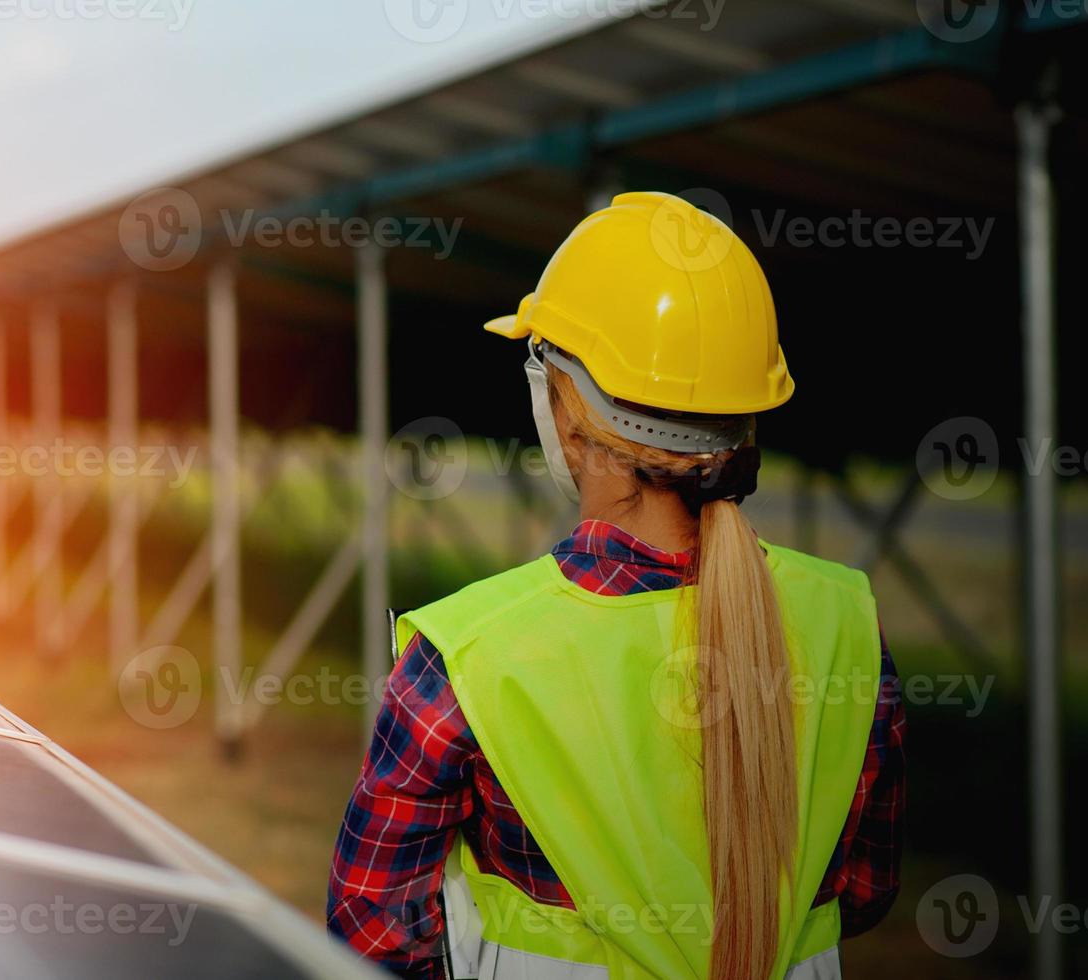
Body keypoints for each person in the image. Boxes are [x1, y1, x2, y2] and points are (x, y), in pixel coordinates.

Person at [326, 193, 905, 980]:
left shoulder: (463, 659)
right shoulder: (850, 629)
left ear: (569, 417)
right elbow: (865, 892)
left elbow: (373, 932)